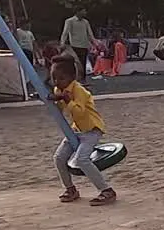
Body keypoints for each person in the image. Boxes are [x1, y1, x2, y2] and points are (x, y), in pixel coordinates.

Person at [49, 58, 117, 206]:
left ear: (72, 77)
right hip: (76, 130)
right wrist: (55, 101)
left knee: (82, 159)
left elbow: (79, 112)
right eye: (54, 78)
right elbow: (60, 111)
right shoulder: (59, 90)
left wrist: (67, 100)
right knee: (59, 157)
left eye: (61, 78)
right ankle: (70, 189)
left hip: (92, 130)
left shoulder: (79, 90)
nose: (57, 82)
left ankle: (106, 190)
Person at [60, 8, 94, 81]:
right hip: (74, 45)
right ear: (78, 11)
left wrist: (94, 42)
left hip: (84, 45)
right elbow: (65, 33)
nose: (85, 12)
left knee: (83, 62)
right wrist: (62, 43)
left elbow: (90, 33)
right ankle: (75, 78)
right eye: (83, 11)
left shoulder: (85, 22)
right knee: (76, 63)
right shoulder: (70, 21)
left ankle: (83, 79)